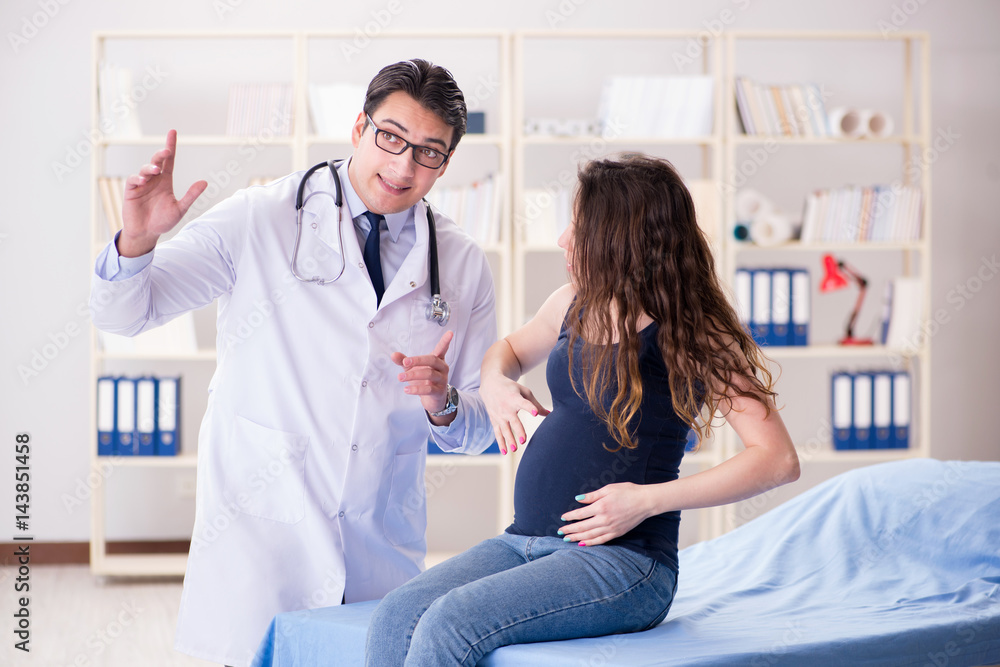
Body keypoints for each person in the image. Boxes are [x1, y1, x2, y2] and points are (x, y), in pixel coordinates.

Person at [89, 59, 498, 667]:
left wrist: (445, 405)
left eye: (429, 152)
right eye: (391, 137)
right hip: (263, 536)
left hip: (378, 547)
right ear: (359, 127)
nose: (404, 165)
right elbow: (126, 317)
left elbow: (481, 426)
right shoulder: (261, 217)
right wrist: (138, 242)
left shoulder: (461, 264)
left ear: (448, 161)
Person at [365, 153, 801, 666]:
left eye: (579, 227)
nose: (563, 239)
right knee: (395, 616)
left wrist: (646, 501)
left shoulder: (693, 330)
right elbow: (506, 351)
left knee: (449, 623)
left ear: (622, 237)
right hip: (523, 542)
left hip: (624, 563)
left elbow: (777, 459)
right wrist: (496, 383)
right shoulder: (572, 302)